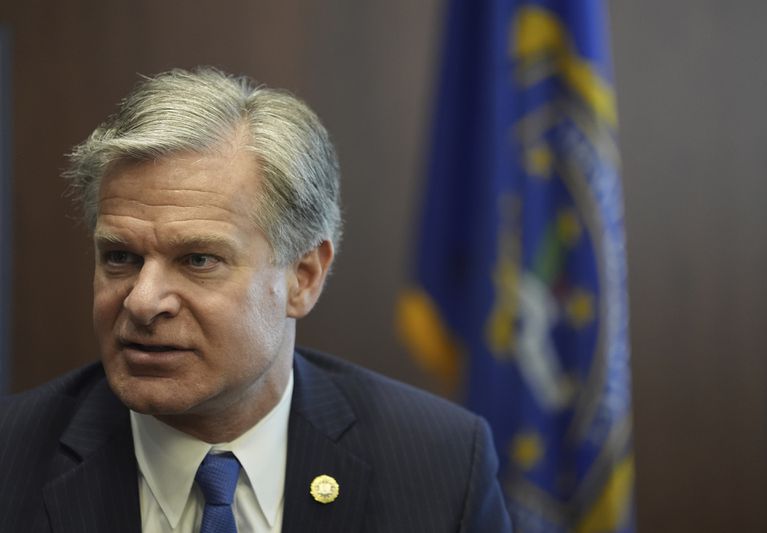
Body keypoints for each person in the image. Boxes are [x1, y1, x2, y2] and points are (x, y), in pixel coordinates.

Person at [0, 67, 510, 532]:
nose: (142, 301)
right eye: (120, 257)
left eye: (198, 259)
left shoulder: (439, 463)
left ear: (303, 278)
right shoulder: (12, 458)